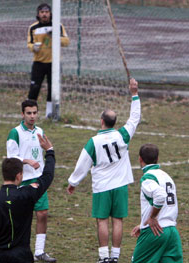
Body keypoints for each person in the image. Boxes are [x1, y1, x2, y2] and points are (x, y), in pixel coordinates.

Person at [66, 78, 141, 263]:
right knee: (118, 220)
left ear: (101, 121)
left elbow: (82, 164)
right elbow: (134, 119)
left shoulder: (94, 142)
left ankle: (103, 257)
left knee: (102, 221)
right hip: (121, 185)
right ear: (114, 122)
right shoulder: (123, 135)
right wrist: (134, 94)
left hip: (102, 187)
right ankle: (115, 257)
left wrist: (73, 182)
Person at [0, 134, 55, 263]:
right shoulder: (27, 195)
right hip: (23, 256)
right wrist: (49, 152)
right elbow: (47, 176)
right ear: (19, 176)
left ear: (4, 174)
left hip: (0, 257)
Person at [6, 99, 56, 262]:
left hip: (38, 180)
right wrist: (27, 161)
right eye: (29, 113)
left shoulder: (39, 131)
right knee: (21, 218)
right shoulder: (15, 133)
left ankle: (39, 251)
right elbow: (11, 158)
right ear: (22, 114)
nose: (32, 116)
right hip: (22, 181)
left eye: (35, 113)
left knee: (42, 213)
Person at [131, 144, 183, 263]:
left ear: (140, 159)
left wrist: (152, 217)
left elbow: (160, 196)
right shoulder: (167, 176)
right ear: (157, 158)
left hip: (154, 232)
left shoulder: (147, 178)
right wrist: (142, 224)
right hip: (172, 232)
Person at [27, 3, 70, 118]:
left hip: (54, 63)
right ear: (38, 14)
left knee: (52, 89)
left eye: (46, 12)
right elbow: (29, 44)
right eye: (42, 12)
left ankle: (49, 114)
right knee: (34, 88)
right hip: (38, 63)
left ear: (50, 14)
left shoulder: (58, 26)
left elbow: (66, 42)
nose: (44, 14)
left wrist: (56, 36)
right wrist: (33, 48)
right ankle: (29, 113)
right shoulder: (33, 28)